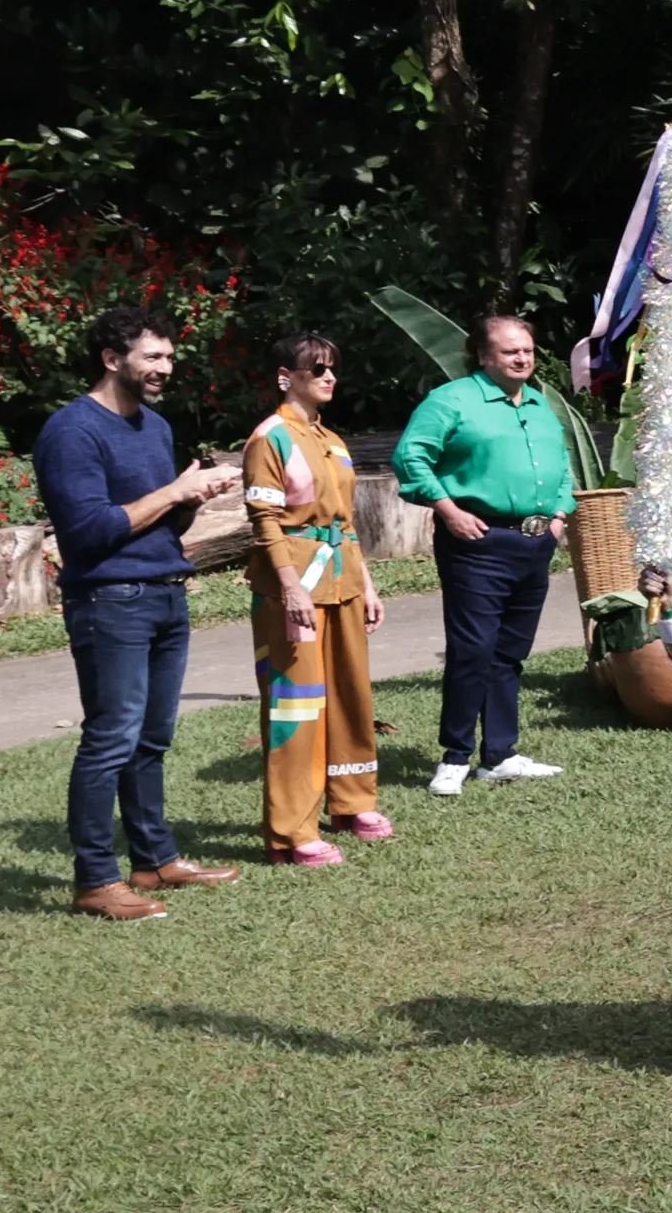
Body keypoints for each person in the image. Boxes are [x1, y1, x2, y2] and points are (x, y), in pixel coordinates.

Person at [33, 306, 245, 921]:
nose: (165, 368)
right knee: (110, 738)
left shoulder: (154, 426)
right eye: (152, 356)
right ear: (111, 359)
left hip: (165, 592)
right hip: (110, 601)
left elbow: (158, 519)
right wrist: (174, 492)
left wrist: (193, 496)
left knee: (152, 739)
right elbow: (89, 531)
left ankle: (154, 860)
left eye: (170, 357)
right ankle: (96, 880)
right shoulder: (72, 431)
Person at [392, 315, 575, 796]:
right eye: (511, 351)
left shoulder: (538, 404)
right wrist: (448, 510)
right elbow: (411, 457)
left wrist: (559, 516)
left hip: (535, 543)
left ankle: (500, 754)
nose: (522, 359)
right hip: (477, 542)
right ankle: (455, 756)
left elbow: (561, 469)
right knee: (473, 649)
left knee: (510, 652)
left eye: (528, 351)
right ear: (482, 356)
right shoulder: (451, 401)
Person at [241, 333, 392, 865]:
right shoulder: (270, 438)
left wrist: (367, 586)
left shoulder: (332, 439)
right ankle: (292, 832)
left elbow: (345, 523)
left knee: (351, 695)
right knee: (297, 707)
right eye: (317, 369)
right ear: (287, 377)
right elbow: (264, 521)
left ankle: (352, 803)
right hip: (294, 588)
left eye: (333, 368)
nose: (330, 377)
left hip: (344, 580)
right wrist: (287, 588)